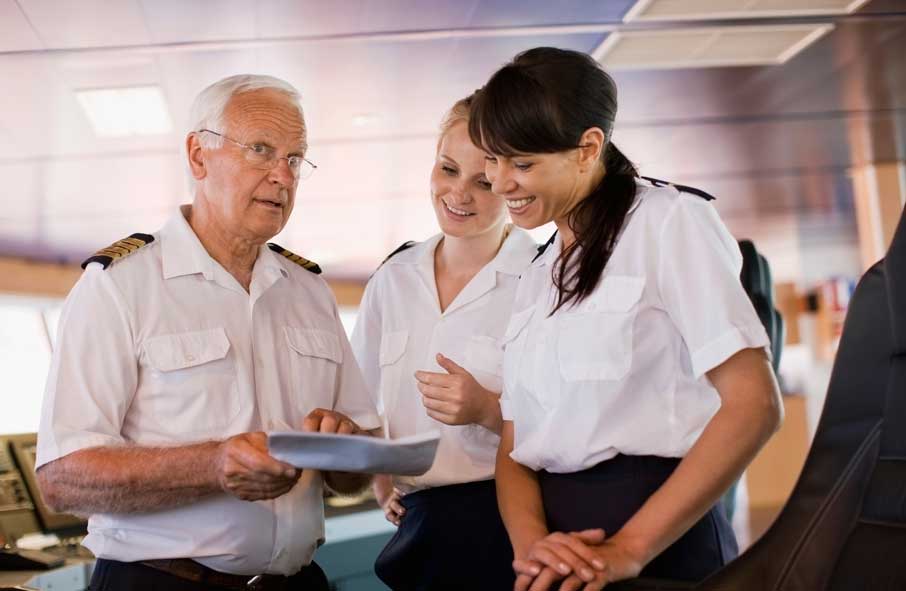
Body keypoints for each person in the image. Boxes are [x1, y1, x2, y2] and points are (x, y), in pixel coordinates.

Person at [35, 74, 380, 591]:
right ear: (198, 156)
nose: (282, 177)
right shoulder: (119, 286)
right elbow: (62, 479)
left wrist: (344, 449)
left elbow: (355, 473)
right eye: (261, 150)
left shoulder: (309, 292)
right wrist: (214, 464)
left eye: (294, 158)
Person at [469, 47, 784, 591]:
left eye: (522, 164)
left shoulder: (668, 222)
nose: (499, 184)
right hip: (556, 554)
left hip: (660, 541)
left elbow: (755, 404)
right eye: (492, 161)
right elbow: (516, 445)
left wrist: (629, 549)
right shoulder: (538, 274)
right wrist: (532, 546)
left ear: (588, 147)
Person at [350, 94, 537, 590]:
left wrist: (488, 410)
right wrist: (382, 479)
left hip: (508, 520)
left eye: (483, 181)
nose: (459, 194)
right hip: (419, 523)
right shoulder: (393, 277)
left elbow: (574, 425)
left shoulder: (544, 280)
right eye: (448, 169)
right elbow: (362, 398)